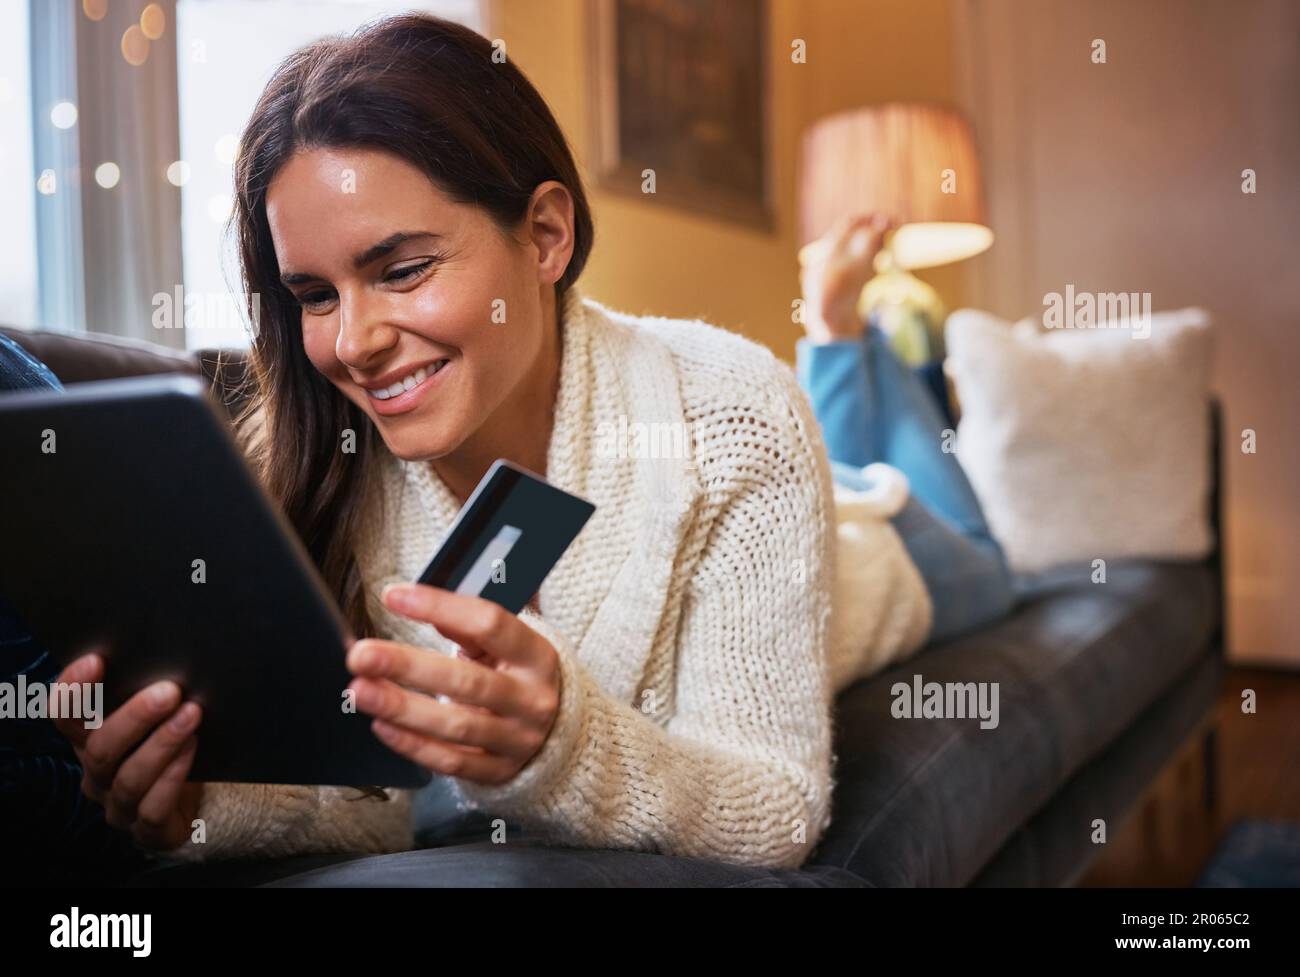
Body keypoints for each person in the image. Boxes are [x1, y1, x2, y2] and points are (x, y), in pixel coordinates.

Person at [2, 14, 1013, 886]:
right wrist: (198, 805)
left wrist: (560, 744)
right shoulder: (325, 471)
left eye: (400, 268)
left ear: (545, 236)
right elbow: (375, 795)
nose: (351, 342)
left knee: (980, 535)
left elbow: (775, 808)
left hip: (891, 557)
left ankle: (849, 347)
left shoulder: (730, 411)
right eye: (314, 295)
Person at [794, 213, 1017, 646]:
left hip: (840, 518)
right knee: (991, 571)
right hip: (867, 546)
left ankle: (840, 334)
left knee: (847, 488)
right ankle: (843, 335)